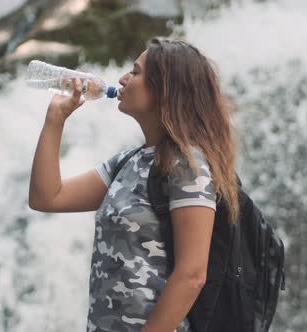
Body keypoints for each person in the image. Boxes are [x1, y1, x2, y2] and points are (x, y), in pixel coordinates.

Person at [28, 37, 240, 332]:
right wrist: (55, 119)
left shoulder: (188, 166)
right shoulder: (128, 162)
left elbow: (192, 274)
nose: (122, 79)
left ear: (165, 88)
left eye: (136, 72)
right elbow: (47, 197)